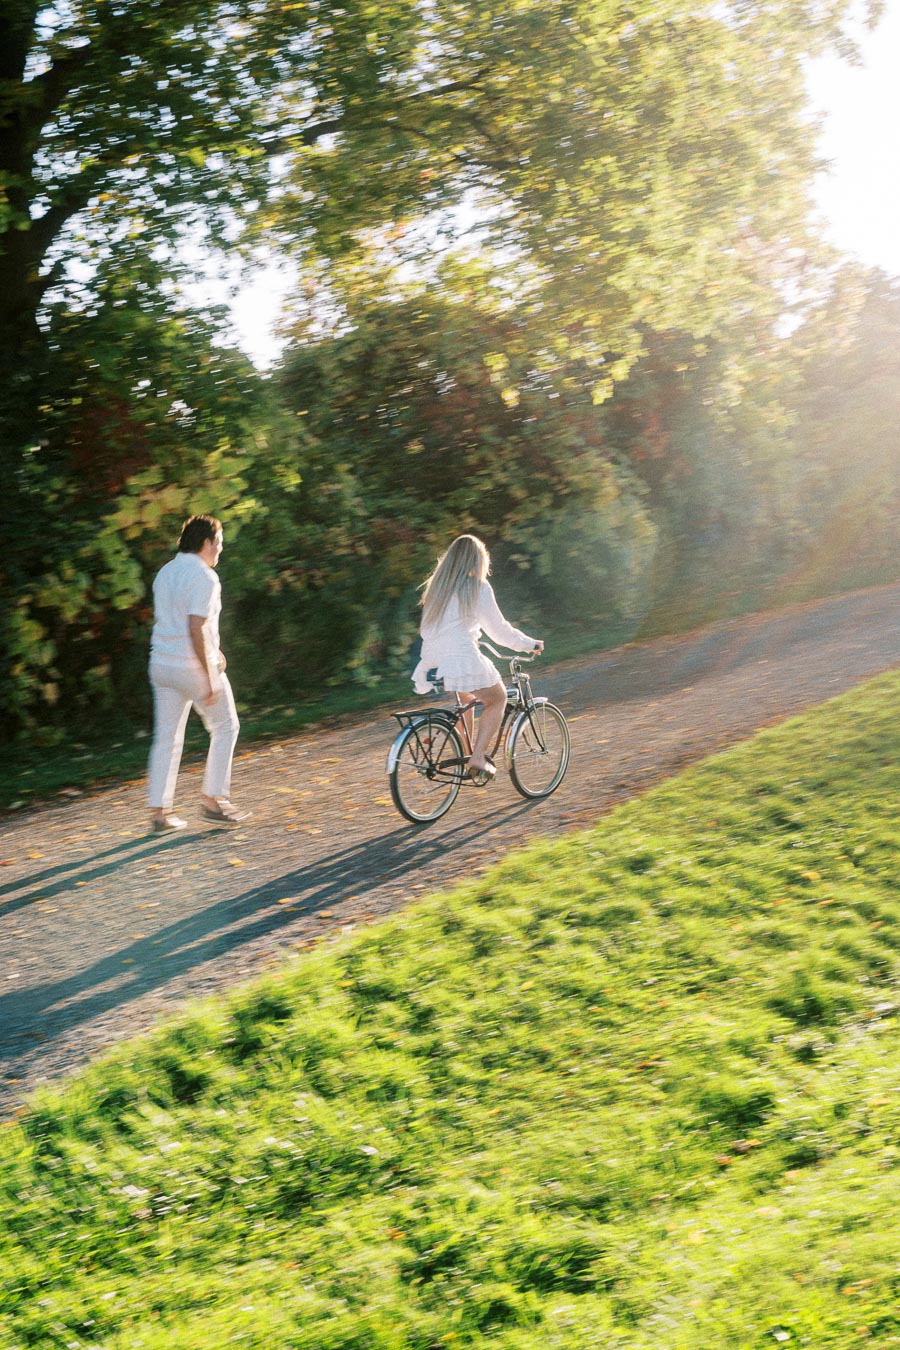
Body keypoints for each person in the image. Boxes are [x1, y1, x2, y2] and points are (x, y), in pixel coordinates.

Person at [146, 514, 249, 831]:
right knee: (226, 725)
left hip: (161, 664)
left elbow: (179, 623)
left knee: (166, 739)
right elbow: (195, 627)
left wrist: (214, 650)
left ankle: (160, 813)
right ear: (206, 543)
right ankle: (213, 800)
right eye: (219, 543)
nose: (220, 549)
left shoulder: (165, 572)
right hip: (191, 665)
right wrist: (210, 676)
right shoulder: (205, 577)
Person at [412, 534, 543, 778]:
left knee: (468, 700)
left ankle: (464, 752)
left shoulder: (437, 589)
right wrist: (528, 644)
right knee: (498, 698)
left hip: (434, 659)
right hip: (460, 657)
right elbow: (499, 631)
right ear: (477, 561)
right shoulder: (477, 588)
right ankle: (478, 757)